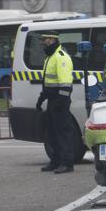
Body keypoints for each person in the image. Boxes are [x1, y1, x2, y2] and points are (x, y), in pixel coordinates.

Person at [36, 31, 75, 174]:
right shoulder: (50, 57)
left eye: (44, 39)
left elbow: (65, 83)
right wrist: (41, 98)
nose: (42, 42)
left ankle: (67, 163)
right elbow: (49, 83)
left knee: (63, 132)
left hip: (60, 101)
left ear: (52, 39)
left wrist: (61, 101)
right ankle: (56, 161)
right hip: (53, 100)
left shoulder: (60, 57)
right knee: (52, 132)